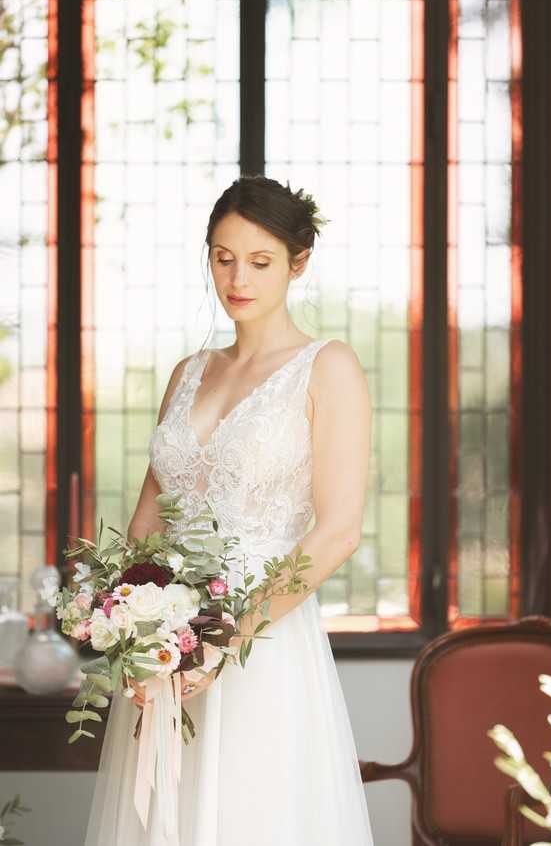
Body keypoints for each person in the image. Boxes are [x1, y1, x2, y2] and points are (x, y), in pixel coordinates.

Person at [83, 175, 374, 845]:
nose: (237, 277)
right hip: (169, 647)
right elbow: (147, 522)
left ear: (298, 263)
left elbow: (337, 532)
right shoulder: (187, 372)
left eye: (260, 261)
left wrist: (225, 642)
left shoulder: (327, 368)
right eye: (222, 256)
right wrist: (136, 636)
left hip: (261, 646)